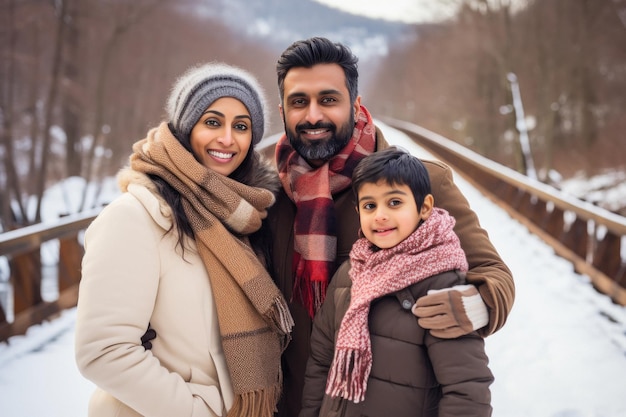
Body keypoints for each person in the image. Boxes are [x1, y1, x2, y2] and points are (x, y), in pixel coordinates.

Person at [267, 36, 513, 416]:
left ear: (356, 104)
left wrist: (475, 305)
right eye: (299, 102)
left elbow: (494, 275)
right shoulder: (269, 194)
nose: (313, 115)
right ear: (282, 109)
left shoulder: (416, 185)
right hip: (298, 404)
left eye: (328, 100)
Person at [74, 62, 294, 417]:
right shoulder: (135, 217)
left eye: (241, 126)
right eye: (212, 122)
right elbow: (103, 351)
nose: (227, 138)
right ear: (185, 126)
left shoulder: (244, 218)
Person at [299, 147, 494, 417]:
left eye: (394, 203)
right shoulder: (349, 275)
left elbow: (468, 389)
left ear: (424, 207)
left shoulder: (440, 284)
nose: (380, 215)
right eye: (370, 206)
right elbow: (321, 363)